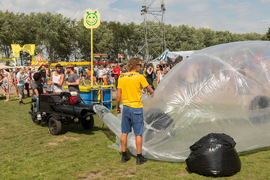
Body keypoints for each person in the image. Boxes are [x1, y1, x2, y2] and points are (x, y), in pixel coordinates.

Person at [116, 57, 154, 165]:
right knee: (138, 133)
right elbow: (151, 91)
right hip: (136, 107)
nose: (141, 67)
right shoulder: (139, 77)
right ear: (136, 65)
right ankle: (139, 157)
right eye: (140, 65)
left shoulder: (122, 77)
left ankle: (124, 156)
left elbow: (118, 95)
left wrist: (117, 107)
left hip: (126, 108)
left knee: (124, 132)